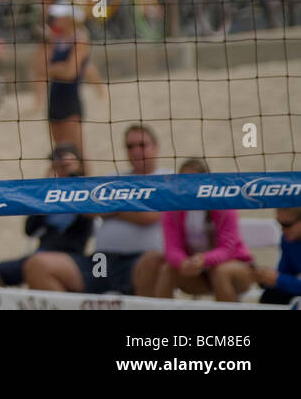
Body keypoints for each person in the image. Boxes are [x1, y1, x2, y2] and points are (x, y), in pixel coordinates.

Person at [23, 124, 170, 297]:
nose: (136, 151)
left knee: (154, 263)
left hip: (139, 261)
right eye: (130, 146)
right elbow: (86, 210)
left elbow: (149, 216)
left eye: (142, 145)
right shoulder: (114, 177)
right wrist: (129, 207)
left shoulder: (167, 177)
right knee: (37, 265)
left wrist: (110, 207)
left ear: (156, 146)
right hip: (102, 263)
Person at [0, 145, 92, 288]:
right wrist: (44, 191)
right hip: (39, 254)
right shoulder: (49, 197)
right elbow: (29, 230)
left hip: (69, 258)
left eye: (66, 166)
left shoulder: (87, 194)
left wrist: (76, 180)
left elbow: (88, 219)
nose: (62, 172)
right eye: (57, 167)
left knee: (39, 268)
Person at [154, 158, 254, 302]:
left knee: (220, 272)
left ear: (207, 183)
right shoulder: (173, 209)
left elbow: (227, 249)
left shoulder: (223, 204)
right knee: (167, 269)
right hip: (198, 273)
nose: (188, 186)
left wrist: (204, 259)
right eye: (184, 181)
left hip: (235, 268)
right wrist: (183, 262)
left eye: (194, 181)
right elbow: (171, 247)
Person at [37, 2, 104, 162]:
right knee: (60, 153)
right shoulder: (55, 39)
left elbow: (70, 73)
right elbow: (40, 69)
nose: (54, 19)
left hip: (70, 99)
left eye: (59, 16)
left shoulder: (80, 38)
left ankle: (86, 184)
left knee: (78, 153)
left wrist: (55, 68)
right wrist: (59, 67)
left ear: (69, 18)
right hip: (54, 97)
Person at [255, 207, 301, 304]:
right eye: (279, 224)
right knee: (271, 295)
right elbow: (284, 272)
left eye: (287, 225)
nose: (282, 229)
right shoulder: (288, 240)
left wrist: (277, 279)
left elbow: (280, 278)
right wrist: (265, 278)